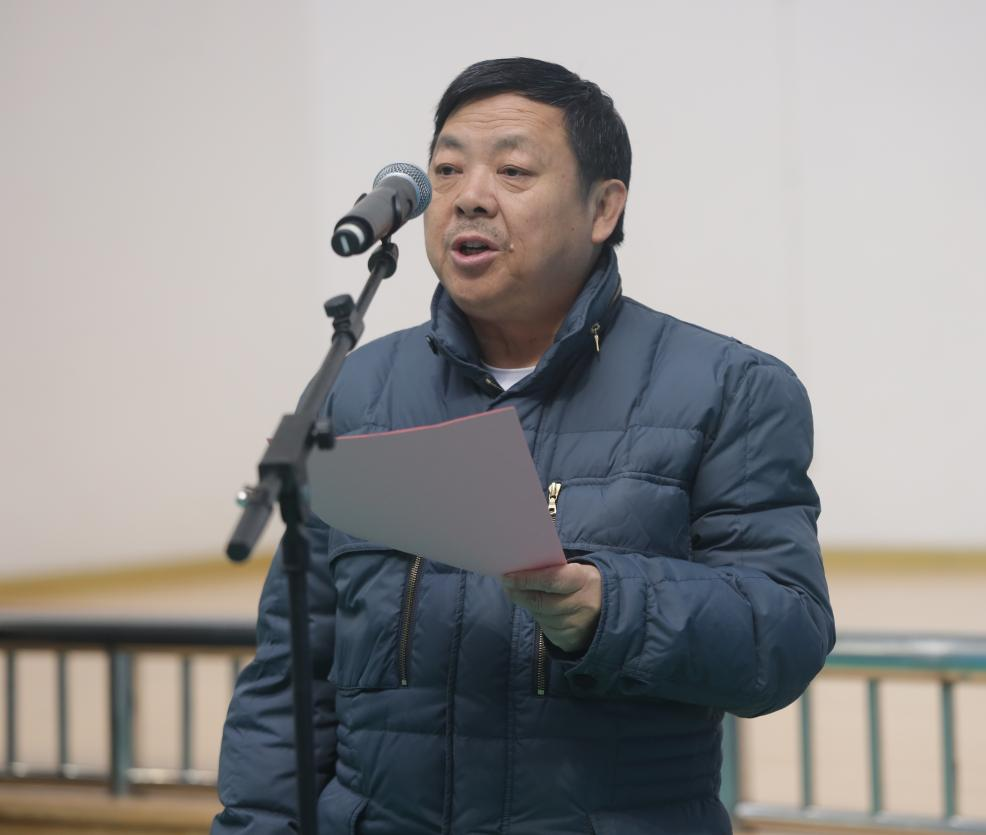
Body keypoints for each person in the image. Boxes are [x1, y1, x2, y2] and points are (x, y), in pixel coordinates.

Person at [213, 57, 835, 835]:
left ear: (603, 207)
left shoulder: (726, 387)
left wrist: (609, 608)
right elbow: (291, 680)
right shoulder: (361, 388)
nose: (469, 196)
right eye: (447, 170)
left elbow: (784, 633)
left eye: (513, 170)